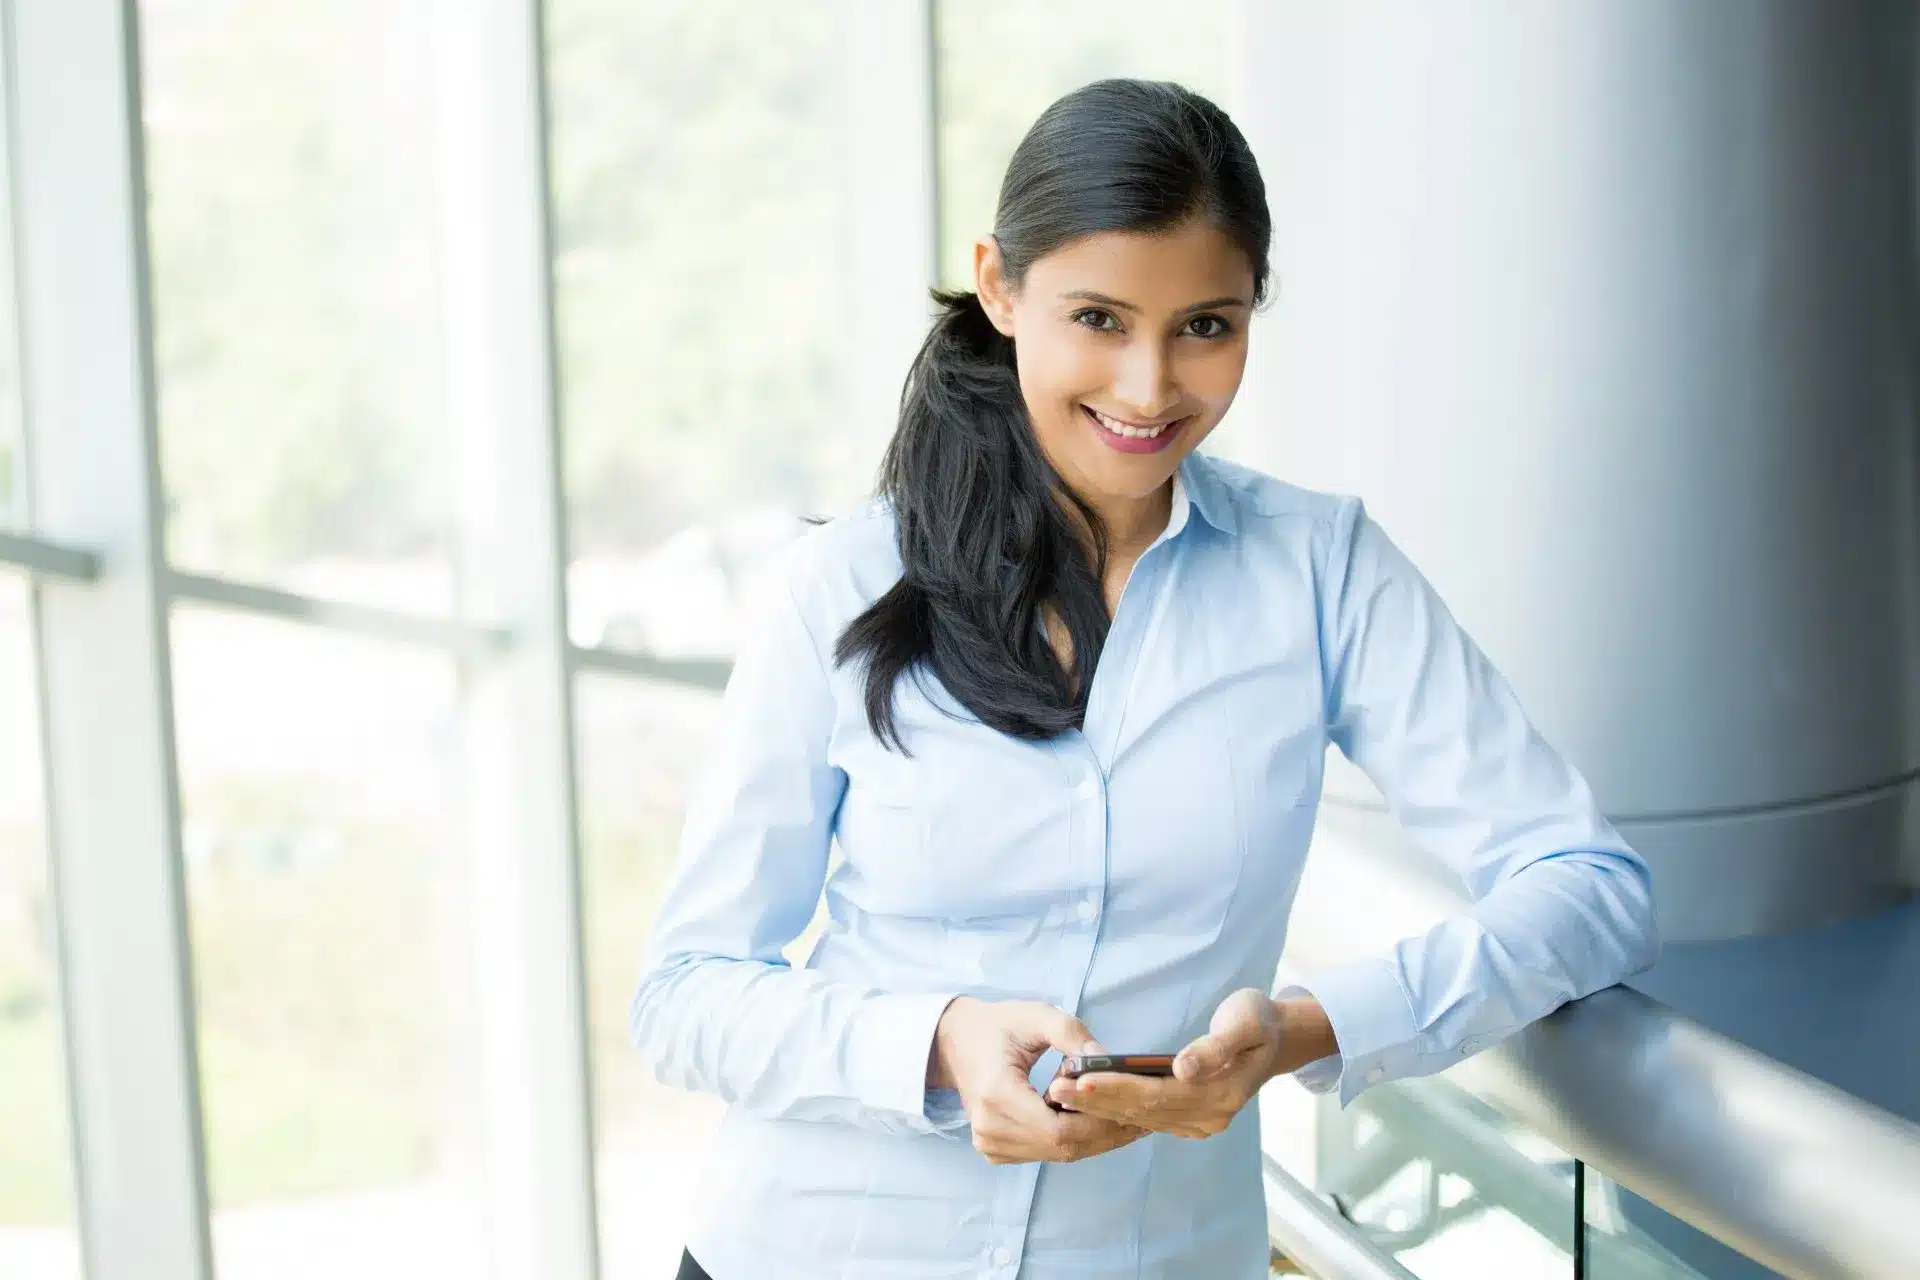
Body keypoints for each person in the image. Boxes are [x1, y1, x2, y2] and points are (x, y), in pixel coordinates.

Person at [631, 78, 1659, 1280]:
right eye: (1101, 319)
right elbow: (687, 994)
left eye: (1206, 327)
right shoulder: (844, 581)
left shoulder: (1321, 571)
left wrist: (1302, 1032)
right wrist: (941, 1042)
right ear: (1003, 287)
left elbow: (1589, 886)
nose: (1150, 388)